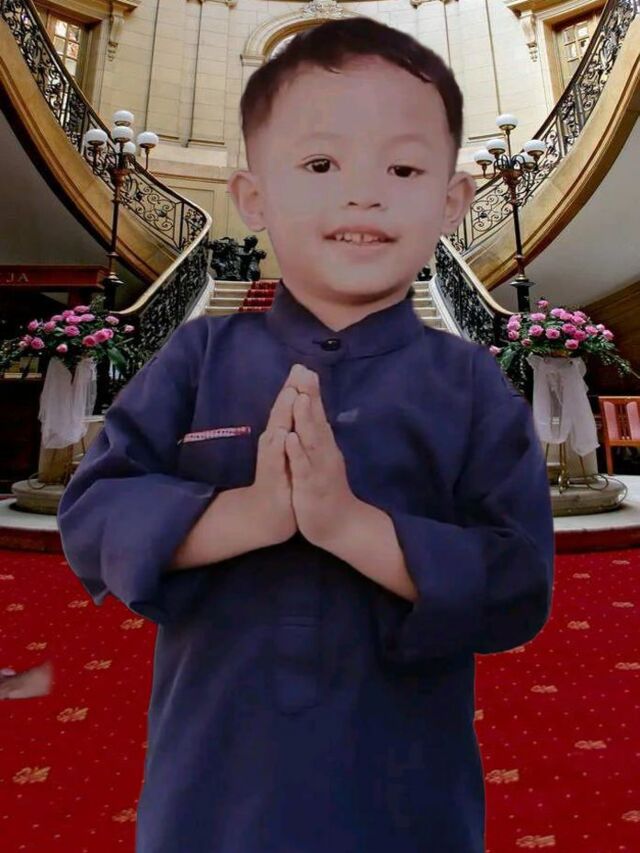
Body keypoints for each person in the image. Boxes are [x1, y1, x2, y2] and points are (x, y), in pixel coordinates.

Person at [57, 17, 555, 853]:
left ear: (451, 201)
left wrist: (350, 525)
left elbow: (518, 581)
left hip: (404, 796)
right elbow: (92, 512)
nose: (363, 195)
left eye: (402, 169)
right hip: (213, 789)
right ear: (253, 198)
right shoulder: (200, 353)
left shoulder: (470, 380)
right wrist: (251, 513)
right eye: (322, 165)